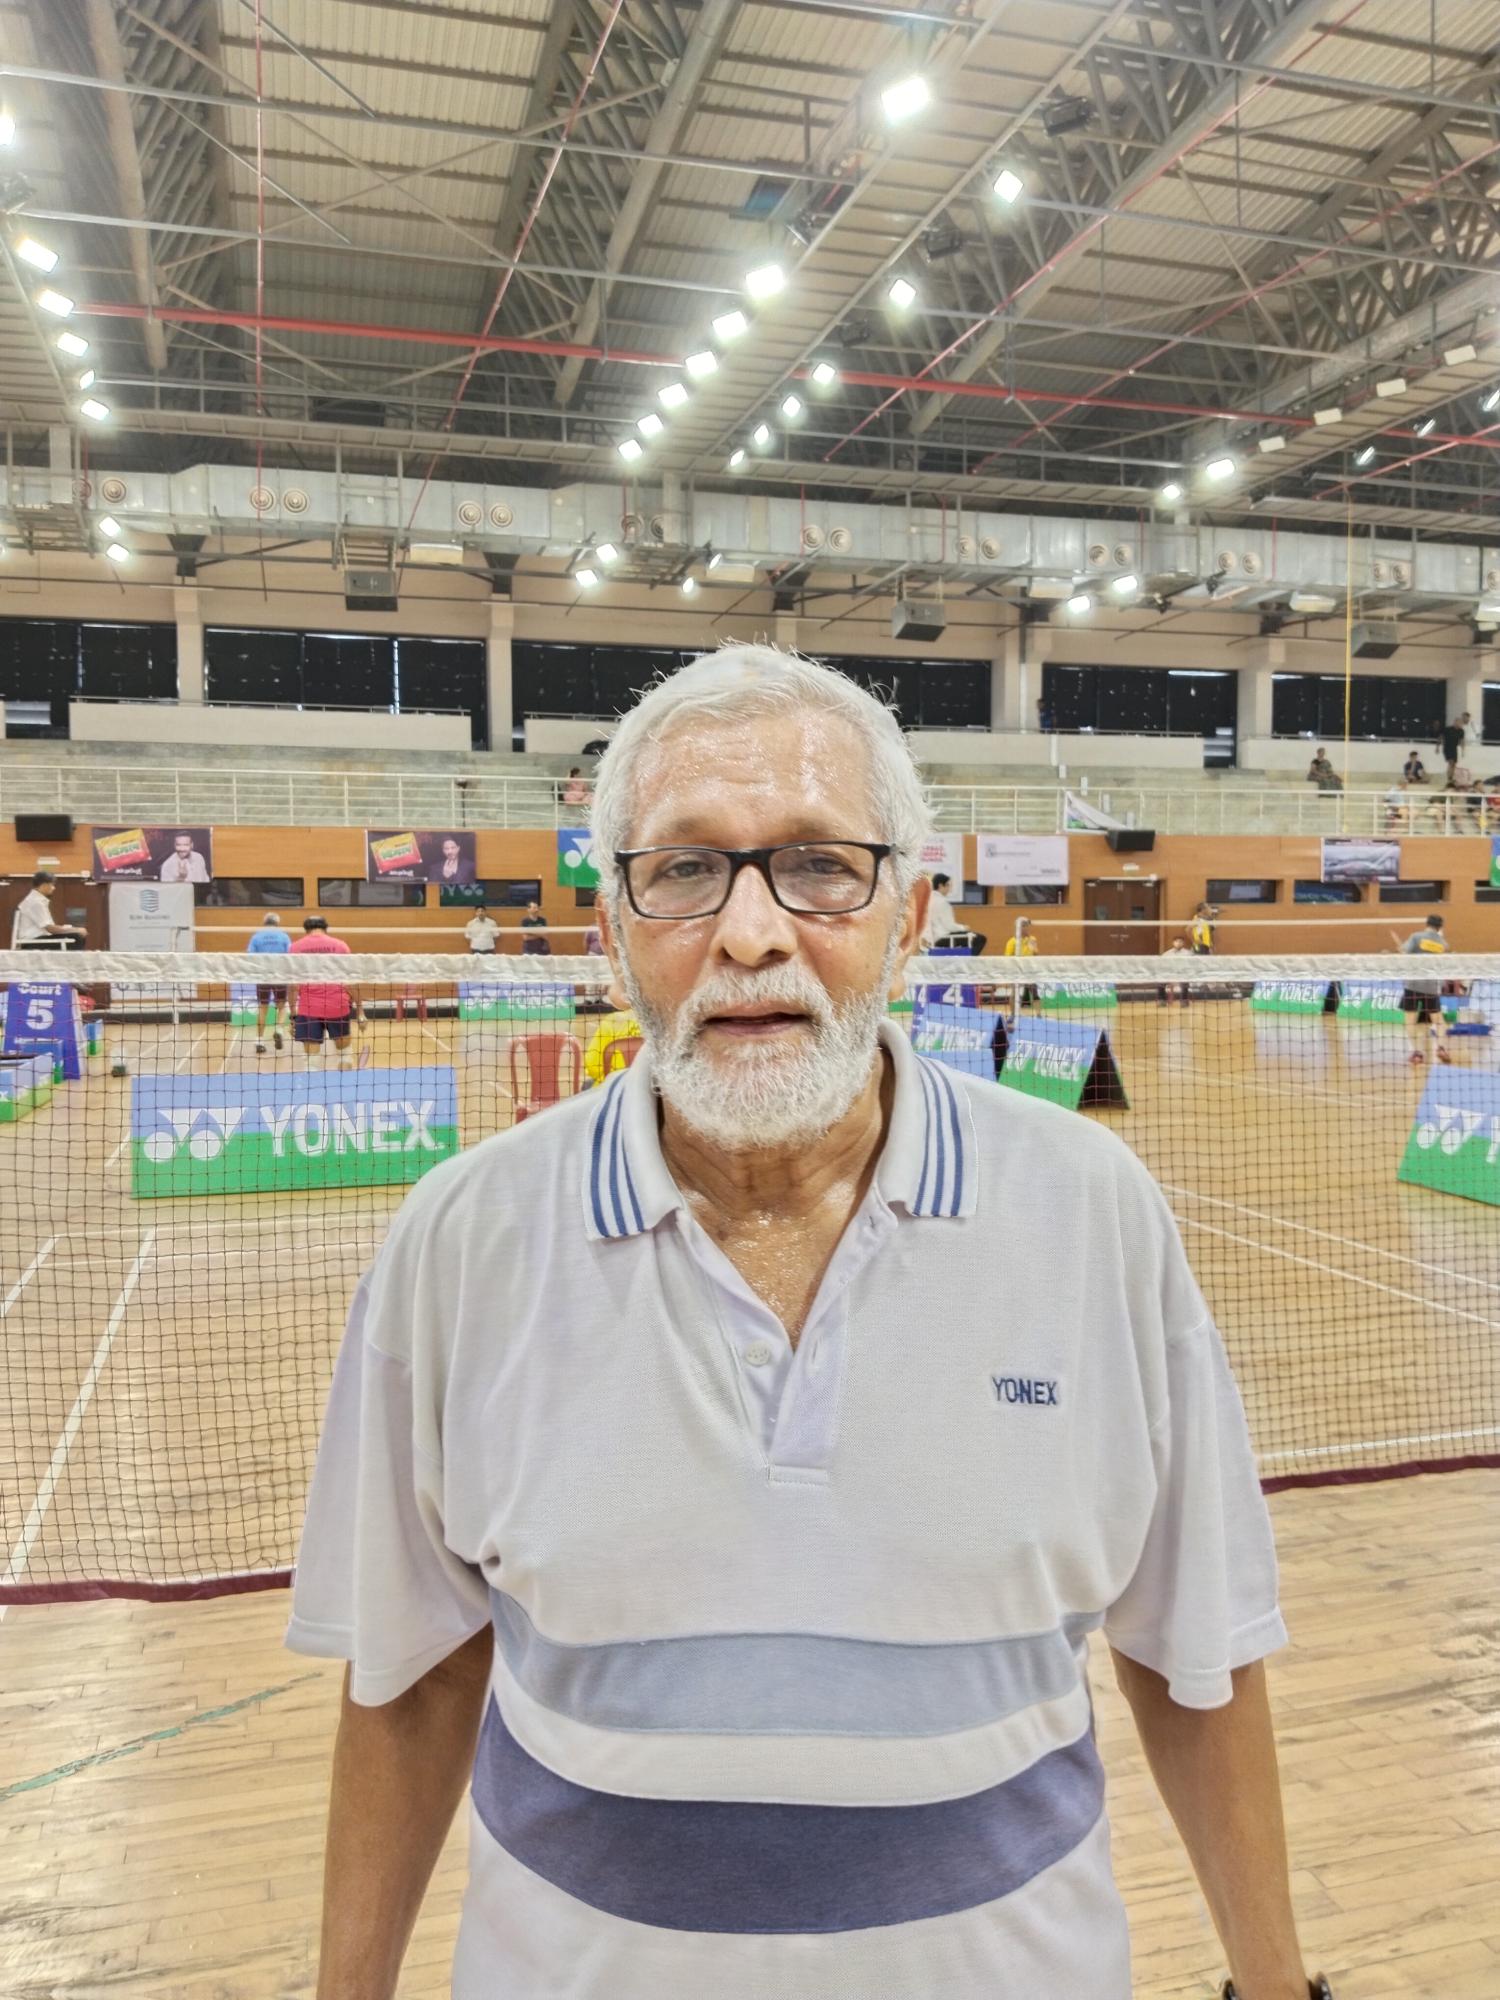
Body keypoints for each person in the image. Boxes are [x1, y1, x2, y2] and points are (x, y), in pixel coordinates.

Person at [289, 645, 1323, 2000]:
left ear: (913, 912)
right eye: (683, 869)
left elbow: (1196, 1655)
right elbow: (414, 1677)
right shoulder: (460, 1238)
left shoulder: (1094, 1209)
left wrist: (1275, 1983)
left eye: (821, 865)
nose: (751, 933)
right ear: (610, 925)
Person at [289, 915, 355, 1067]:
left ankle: (312, 1078)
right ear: (326, 928)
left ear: (306, 929)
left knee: (311, 1060)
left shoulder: (295, 947)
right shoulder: (340, 946)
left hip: (308, 1007)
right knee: (345, 1055)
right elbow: (351, 981)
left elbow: (292, 985)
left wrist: (293, 1014)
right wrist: (360, 1010)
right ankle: (345, 1081)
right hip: (337, 1005)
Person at [1392, 913, 1452, 1066]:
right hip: (1431, 986)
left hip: (1413, 984)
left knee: (1410, 1020)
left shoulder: (1416, 937)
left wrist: (1400, 948)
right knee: (1439, 1020)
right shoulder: (1443, 944)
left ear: (1427, 923)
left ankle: (1416, 1053)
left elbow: (1405, 951)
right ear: (1440, 927)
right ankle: (1441, 1048)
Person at [246, 912, 290, 1054]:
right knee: (281, 1006)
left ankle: (259, 1041)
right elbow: (290, 955)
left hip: (263, 976)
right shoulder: (284, 936)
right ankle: (279, 1030)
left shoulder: (256, 937)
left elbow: (250, 956)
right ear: (277, 923)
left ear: (264, 923)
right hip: (280, 975)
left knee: (263, 1007)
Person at [10, 871, 84, 950]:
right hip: (32, 943)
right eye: (52, 885)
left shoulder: (35, 900)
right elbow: (50, 929)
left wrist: (70, 929)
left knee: (75, 935)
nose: (53, 888)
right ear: (44, 885)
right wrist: (75, 929)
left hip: (38, 940)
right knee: (76, 937)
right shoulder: (35, 902)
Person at [920, 870, 960, 947]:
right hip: (942, 938)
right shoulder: (942, 902)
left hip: (928, 939)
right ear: (940, 885)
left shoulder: (927, 900)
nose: (949, 889)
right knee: (978, 939)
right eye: (948, 885)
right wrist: (963, 928)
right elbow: (950, 926)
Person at [1162, 932, 1192, 1005]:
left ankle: (1184, 1000)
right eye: (1176, 941)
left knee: (1185, 982)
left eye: (1180, 942)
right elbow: (1162, 965)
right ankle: (1161, 1000)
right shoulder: (1166, 954)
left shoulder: (1188, 954)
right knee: (1160, 982)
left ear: (1183, 943)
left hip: (1183, 975)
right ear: (1173, 943)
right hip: (1170, 975)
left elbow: (1191, 966)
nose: (1178, 943)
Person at [1439, 712, 1469, 783]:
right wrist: (1437, 746)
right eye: (1458, 722)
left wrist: (1463, 750)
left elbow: (1462, 741)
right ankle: (1449, 778)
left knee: (1454, 764)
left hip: (1454, 748)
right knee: (1451, 762)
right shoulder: (1448, 729)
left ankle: (1451, 778)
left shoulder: (1461, 731)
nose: (1460, 724)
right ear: (1455, 722)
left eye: (1461, 723)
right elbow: (1441, 736)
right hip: (1447, 747)